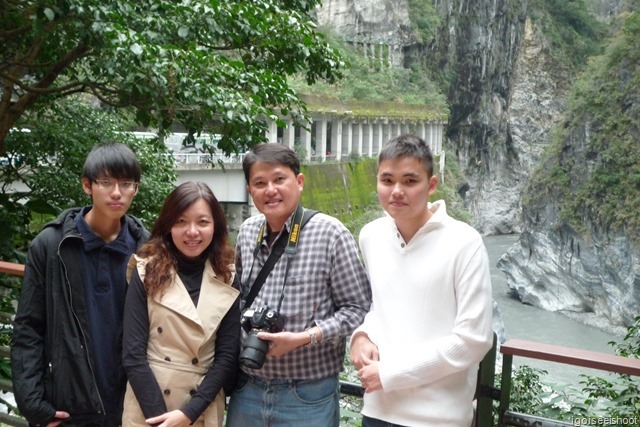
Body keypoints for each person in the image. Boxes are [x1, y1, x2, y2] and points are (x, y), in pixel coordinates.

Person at [350, 134, 494, 427]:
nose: (397, 191)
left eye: (410, 181)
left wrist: (390, 374)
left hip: (440, 418)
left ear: (431, 185)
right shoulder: (371, 236)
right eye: (387, 181)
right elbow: (382, 307)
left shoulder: (464, 243)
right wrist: (362, 335)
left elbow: (474, 340)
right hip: (378, 410)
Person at [225, 143, 371, 427]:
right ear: (249, 190)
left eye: (279, 179)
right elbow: (238, 300)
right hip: (247, 388)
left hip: (307, 395)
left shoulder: (330, 233)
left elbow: (358, 309)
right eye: (260, 183)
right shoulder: (246, 232)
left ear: (299, 182)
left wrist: (305, 337)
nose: (270, 190)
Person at [11, 142, 148, 427]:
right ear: (87, 185)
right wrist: (32, 403)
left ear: (136, 187)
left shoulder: (147, 249)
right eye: (106, 182)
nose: (116, 193)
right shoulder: (52, 246)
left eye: (126, 184)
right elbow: (28, 328)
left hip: (130, 404)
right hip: (68, 405)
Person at [122, 181, 240, 427]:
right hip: (148, 406)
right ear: (168, 226)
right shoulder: (146, 270)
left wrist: (188, 414)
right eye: (181, 221)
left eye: (203, 222)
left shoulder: (228, 276)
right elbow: (133, 355)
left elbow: (227, 356)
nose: (192, 232)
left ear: (215, 226)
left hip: (201, 406)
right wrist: (160, 420)